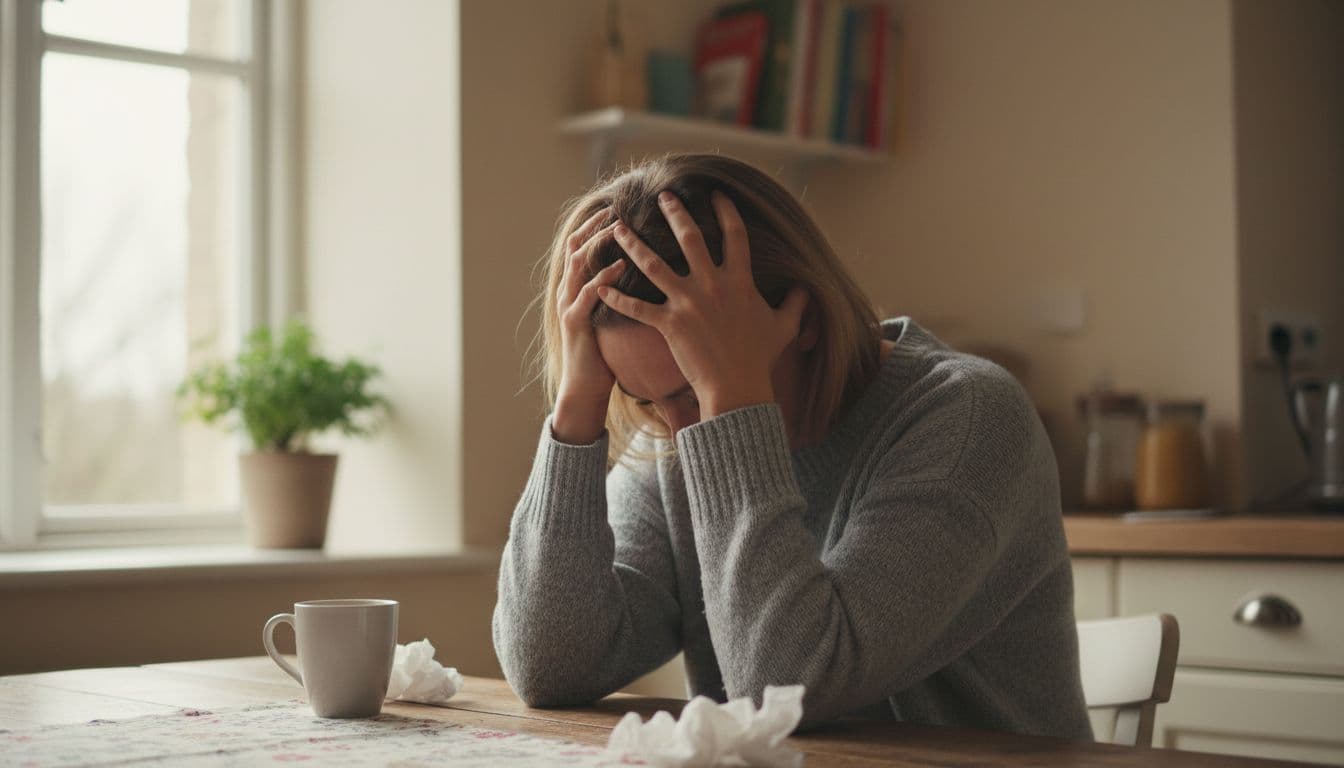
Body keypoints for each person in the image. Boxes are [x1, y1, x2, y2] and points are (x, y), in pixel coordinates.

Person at [492, 153, 1093, 738]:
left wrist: (730, 404)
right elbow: (551, 666)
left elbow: (785, 691)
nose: (678, 432)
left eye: (693, 390)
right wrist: (575, 414)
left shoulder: (969, 420)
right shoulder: (677, 440)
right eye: (646, 398)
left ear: (803, 322)